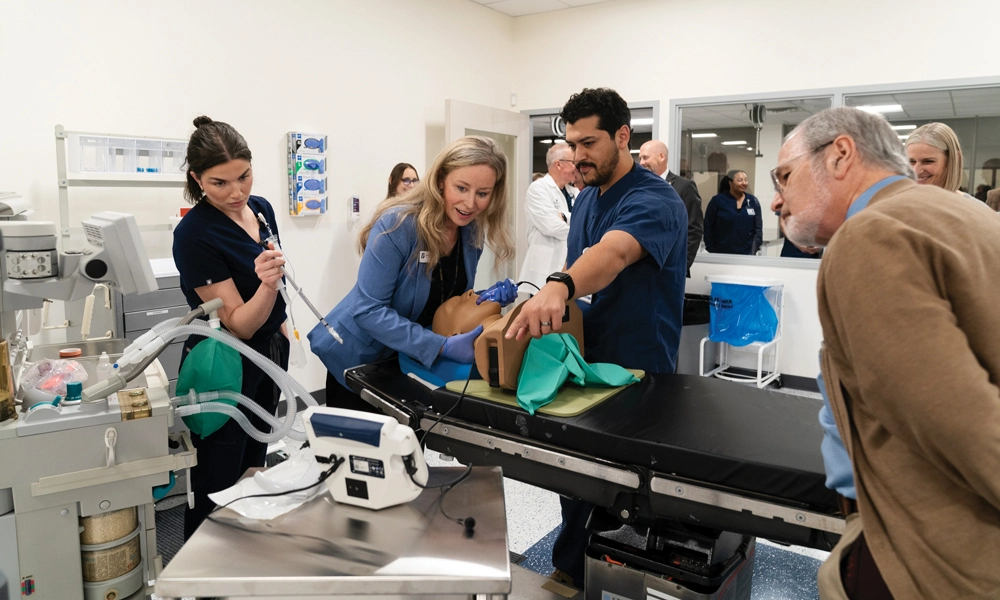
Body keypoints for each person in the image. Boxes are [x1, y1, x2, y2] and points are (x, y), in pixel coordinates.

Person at [771, 106, 1000, 599]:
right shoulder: (964, 214)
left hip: (932, 559)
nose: (777, 201)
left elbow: (958, 421)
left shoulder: (871, 235)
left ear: (840, 156)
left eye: (784, 177)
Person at [506, 88, 687, 589]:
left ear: (623, 136)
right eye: (571, 144)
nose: (577, 155)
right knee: (577, 480)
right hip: (587, 362)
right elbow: (577, 258)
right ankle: (574, 569)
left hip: (637, 370)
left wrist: (559, 287)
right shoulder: (585, 198)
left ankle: (606, 576)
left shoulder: (656, 200)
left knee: (622, 497)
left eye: (589, 143)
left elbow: (612, 254)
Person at [311, 136, 515, 412]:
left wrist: (483, 300)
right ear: (441, 179)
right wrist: (440, 346)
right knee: (367, 452)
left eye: (482, 193)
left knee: (408, 450)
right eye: (461, 188)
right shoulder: (398, 225)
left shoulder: (471, 231)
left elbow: (442, 298)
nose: (470, 203)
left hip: (410, 362)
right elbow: (369, 310)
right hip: (361, 361)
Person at [172, 116, 289, 539]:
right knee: (217, 472)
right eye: (220, 183)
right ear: (197, 179)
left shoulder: (261, 209)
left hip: (270, 352)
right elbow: (238, 323)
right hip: (227, 362)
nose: (237, 192)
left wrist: (279, 320)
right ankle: (201, 570)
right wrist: (268, 283)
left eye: (244, 176)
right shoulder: (194, 234)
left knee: (256, 456)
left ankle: (244, 551)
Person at [638, 140, 704, 273]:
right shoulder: (638, 187)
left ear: (661, 157)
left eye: (645, 157)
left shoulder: (684, 187)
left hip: (670, 268)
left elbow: (694, 229)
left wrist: (682, 266)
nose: (641, 163)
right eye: (640, 158)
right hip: (641, 268)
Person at [518, 144, 576, 290]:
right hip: (545, 270)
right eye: (573, 162)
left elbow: (588, 220)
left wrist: (565, 217)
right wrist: (579, 231)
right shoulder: (538, 189)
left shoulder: (574, 192)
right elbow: (552, 227)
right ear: (558, 164)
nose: (577, 167)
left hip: (569, 267)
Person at [904, 122, 977, 200]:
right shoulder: (897, 205)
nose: (916, 171)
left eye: (928, 161)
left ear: (952, 160)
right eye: (911, 162)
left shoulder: (975, 209)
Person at [704, 170, 763, 255]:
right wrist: (712, 249)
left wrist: (753, 250)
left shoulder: (753, 201)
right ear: (730, 183)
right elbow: (708, 226)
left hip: (746, 254)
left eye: (745, 180)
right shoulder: (717, 201)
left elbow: (758, 229)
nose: (744, 183)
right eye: (740, 180)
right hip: (721, 254)